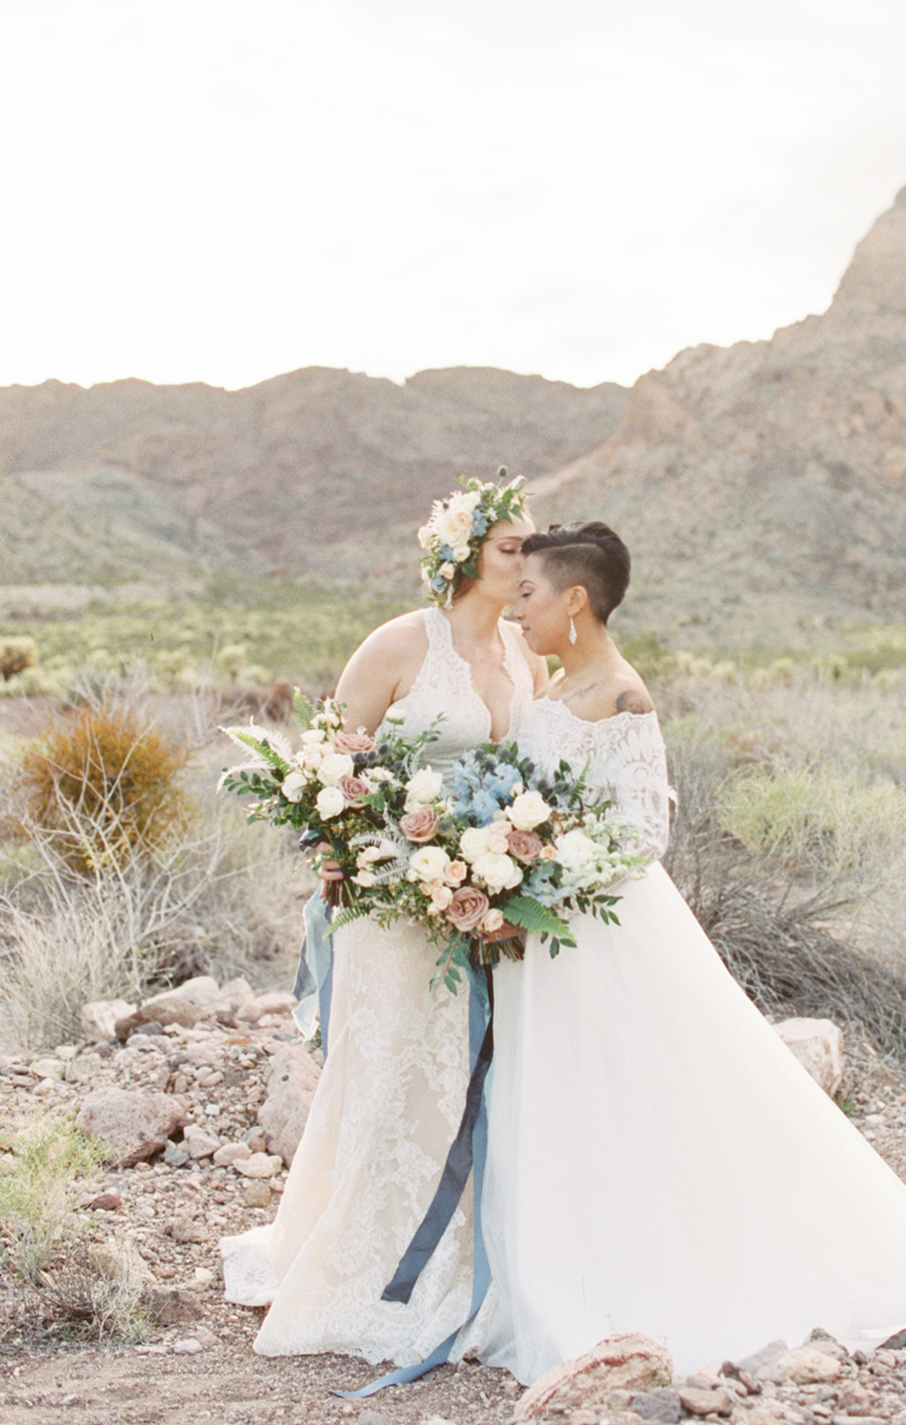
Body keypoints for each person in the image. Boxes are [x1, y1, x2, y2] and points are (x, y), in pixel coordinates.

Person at [475, 520, 906, 1385]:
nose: (519, 610)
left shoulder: (623, 696)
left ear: (575, 599)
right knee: (565, 1096)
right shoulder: (555, 683)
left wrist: (543, 876)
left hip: (600, 930)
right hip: (548, 934)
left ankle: (647, 1276)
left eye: (529, 593)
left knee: (635, 1094)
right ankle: (562, 1266)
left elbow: (644, 832)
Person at [220, 476, 546, 1372]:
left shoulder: (527, 653)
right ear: (464, 555)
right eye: (511, 547)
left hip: (485, 908)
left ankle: (470, 1255)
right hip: (392, 907)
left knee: (473, 1076)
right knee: (395, 1070)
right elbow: (327, 765)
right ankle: (371, 1259)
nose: (527, 561)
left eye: (532, 547)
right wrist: (341, 849)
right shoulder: (401, 643)